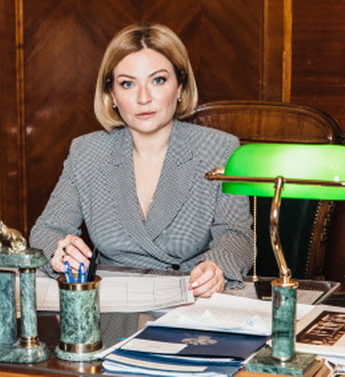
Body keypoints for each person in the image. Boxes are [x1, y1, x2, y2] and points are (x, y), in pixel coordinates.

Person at [30, 23, 253, 297]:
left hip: (189, 297)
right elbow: (47, 230)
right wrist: (60, 251)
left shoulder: (219, 148)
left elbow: (237, 237)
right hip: (110, 301)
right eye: (127, 84)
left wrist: (215, 267)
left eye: (158, 80)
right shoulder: (87, 151)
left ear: (180, 86)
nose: (143, 98)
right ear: (112, 95)